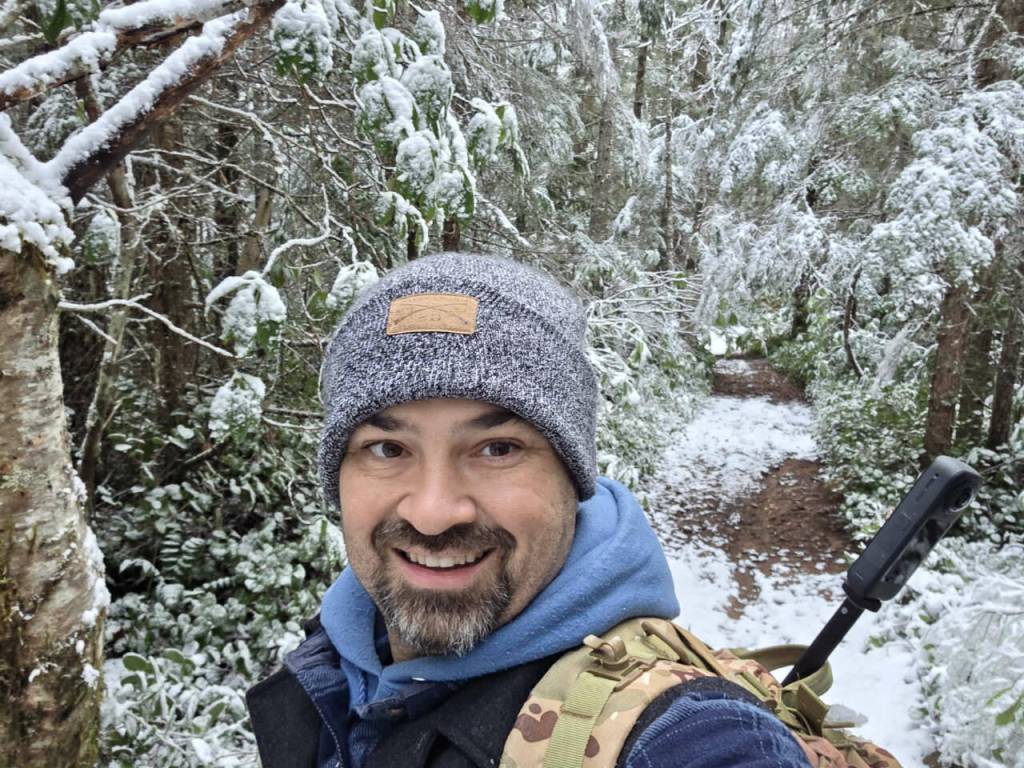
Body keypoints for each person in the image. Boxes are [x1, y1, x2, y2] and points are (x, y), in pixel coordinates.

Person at [246, 252, 810, 768]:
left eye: (498, 449)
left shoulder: (686, 734)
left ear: (573, 476)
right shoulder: (332, 660)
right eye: (387, 449)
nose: (434, 512)